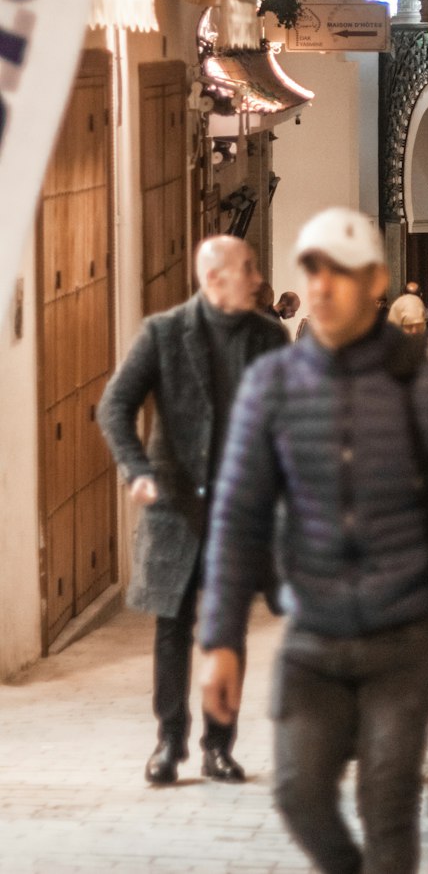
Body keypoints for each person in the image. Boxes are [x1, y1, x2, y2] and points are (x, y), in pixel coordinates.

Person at [200, 207, 428, 874]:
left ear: (376, 282)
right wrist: (221, 641)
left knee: (387, 799)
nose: (322, 287)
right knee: (297, 794)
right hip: (313, 635)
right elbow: (238, 516)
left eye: (341, 273)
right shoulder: (273, 387)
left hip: (405, 636)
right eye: (312, 271)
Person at [97, 236, 287, 786]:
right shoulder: (163, 333)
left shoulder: (268, 336)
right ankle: (169, 742)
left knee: (228, 633)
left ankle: (218, 747)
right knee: (172, 627)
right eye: (247, 269)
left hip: (240, 508)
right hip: (176, 508)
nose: (256, 278)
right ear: (214, 279)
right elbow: (115, 405)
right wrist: (137, 470)